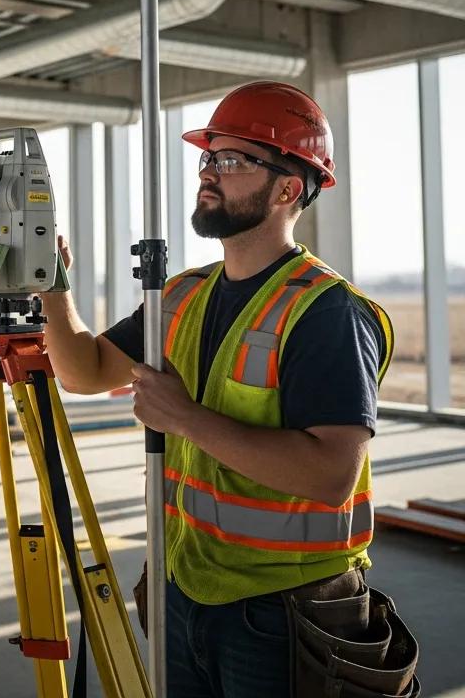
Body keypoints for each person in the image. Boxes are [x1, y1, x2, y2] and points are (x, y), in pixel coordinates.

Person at [43, 81, 392, 698]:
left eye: (233, 161)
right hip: (185, 588)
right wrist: (53, 289)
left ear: (288, 188)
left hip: (283, 609)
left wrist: (185, 419)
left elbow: (331, 475)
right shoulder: (180, 295)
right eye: (208, 158)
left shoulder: (326, 311)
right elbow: (86, 372)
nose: (209, 173)